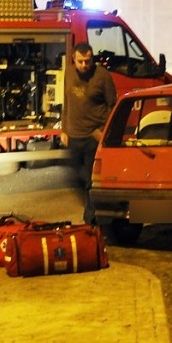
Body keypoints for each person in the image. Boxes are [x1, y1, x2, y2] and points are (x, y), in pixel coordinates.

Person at [61, 42, 117, 224]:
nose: (84, 65)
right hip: (73, 136)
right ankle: (92, 211)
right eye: (80, 62)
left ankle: (91, 220)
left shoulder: (102, 76)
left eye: (88, 61)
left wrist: (103, 131)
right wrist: (63, 129)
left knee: (89, 180)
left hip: (93, 137)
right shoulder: (69, 73)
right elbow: (67, 102)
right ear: (73, 59)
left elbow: (113, 105)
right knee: (79, 178)